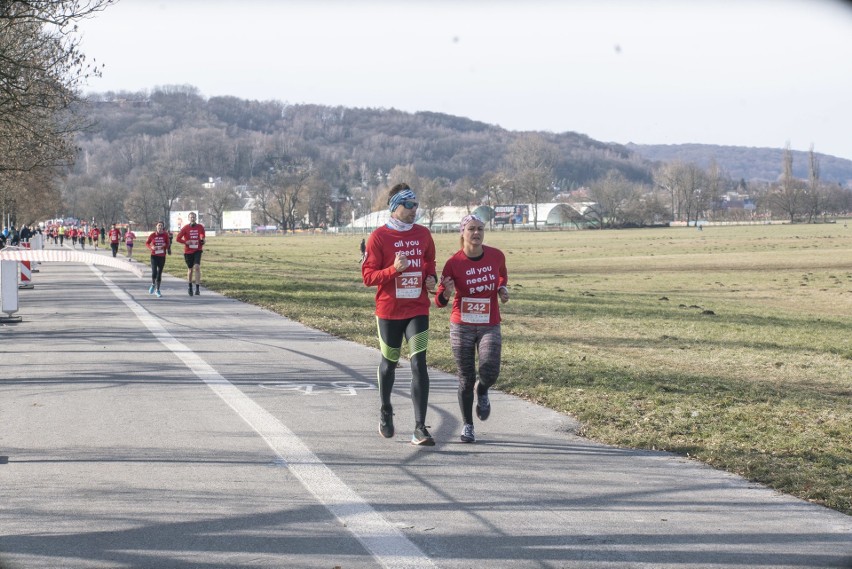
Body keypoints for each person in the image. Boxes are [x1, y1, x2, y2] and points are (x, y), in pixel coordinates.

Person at [361, 183, 438, 446]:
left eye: (416, 205)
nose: (414, 209)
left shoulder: (424, 235)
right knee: (389, 363)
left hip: (417, 310)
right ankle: (385, 409)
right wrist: (393, 270)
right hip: (389, 311)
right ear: (395, 207)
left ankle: (420, 428)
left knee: (419, 364)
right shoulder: (379, 238)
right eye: (408, 205)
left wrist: (431, 279)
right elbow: (368, 277)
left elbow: (429, 264)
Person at [434, 214, 509, 443]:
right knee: (466, 378)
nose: (476, 233)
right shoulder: (454, 263)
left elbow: (501, 276)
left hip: (489, 323)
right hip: (462, 324)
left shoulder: (496, 255)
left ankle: (483, 390)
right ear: (462, 233)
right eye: (471, 229)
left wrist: (502, 289)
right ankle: (468, 425)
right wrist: (445, 294)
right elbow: (438, 301)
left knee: (490, 369)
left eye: (480, 228)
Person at [175, 211, 205, 296]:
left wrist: (202, 239)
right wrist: (186, 242)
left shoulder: (200, 227)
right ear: (188, 218)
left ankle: (198, 288)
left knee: (197, 267)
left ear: (196, 218)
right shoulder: (185, 228)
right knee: (190, 269)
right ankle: (190, 286)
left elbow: (202, 235)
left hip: (197, 250)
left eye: (194, 217)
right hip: (188, 251)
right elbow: (178, 238)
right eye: (191, 217)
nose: (192, 218)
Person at [145, 221, 171, 298]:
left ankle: (157, 290)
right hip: (154, 256)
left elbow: (168, 244)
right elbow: (147, 243)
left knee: (159, 273)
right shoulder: (152, 235)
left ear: (163, 227)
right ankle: (153, 284)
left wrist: (164, 246)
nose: (160, 227)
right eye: (159, 226)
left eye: (161, 226)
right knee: (154, 273)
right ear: (156, 227)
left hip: (162, 256)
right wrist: (151, 247)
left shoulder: (165, 235)